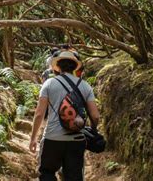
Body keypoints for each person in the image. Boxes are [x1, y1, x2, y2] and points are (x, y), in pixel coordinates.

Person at [29, 50, 100, 181]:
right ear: (74, 67)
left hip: (52, 138)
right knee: (74, 177)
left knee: (47, 173)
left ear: (58, 67)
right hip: (77, 139)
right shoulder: (85, 86)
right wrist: (93, 130)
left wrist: (33, 138)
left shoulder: (49, 84)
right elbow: (95, 116)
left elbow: (39, 114)